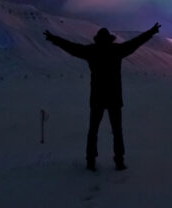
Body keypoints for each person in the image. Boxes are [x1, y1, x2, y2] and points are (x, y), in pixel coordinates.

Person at [44, 22, 161, 171]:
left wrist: (54, 39)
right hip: (114, 98)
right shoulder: (116, 50)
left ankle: (91, 161)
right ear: (110, 39)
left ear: (97, 39)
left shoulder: (92, 51)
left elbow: (71, 47)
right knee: (117, 131)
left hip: (97, 98)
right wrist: (151, 32)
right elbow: (135, 43)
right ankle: (119, 161)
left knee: (93, 131)